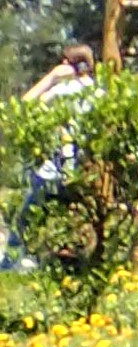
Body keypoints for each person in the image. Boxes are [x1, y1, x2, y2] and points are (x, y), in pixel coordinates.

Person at [5, 41, 95, 266]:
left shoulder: (63, 91)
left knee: (28, 216)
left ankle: (12, 263)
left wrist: (51, 78)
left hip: (56, 168)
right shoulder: (98, 91)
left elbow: (23, 107)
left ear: (67, 65)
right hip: (85, 169)